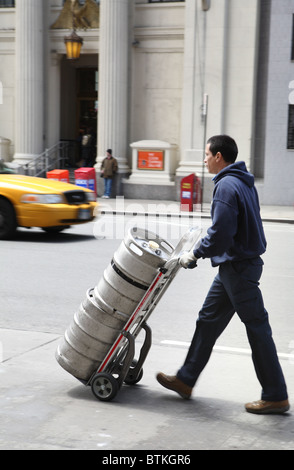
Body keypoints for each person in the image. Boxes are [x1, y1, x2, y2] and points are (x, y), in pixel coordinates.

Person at [157, 134, 290, 415]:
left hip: (238, 267)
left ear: (219, 156)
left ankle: (276, 394)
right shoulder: (241, 181)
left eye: (207, 155)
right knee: (207, 320)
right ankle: (186, 379)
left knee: (257, 328)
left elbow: (221, 232)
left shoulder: (226, 186)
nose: (204, 159)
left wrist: (194, 254)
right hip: (235, 266)